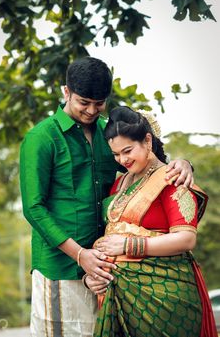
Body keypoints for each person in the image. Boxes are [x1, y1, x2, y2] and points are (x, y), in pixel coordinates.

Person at [19, 57, 194, 337]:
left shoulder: (108, 133)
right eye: (83, 102)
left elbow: (147, 164)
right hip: (61, 268)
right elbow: (34, 208)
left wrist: (183, 163)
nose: (91, 110)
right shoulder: (42, 138)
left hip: (110, 272)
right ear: (66, 92)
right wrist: (80, 255)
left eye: (98, 103)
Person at [84, 106, 217, 337]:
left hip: (165, 300)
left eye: (127, 150)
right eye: (116, 154)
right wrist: (91, 278)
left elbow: (186, 238)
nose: (122, 159)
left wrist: (128, 246)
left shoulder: (172, 178)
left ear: (147, 140)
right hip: (118, 297)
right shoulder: (119, 184)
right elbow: (107, 237)